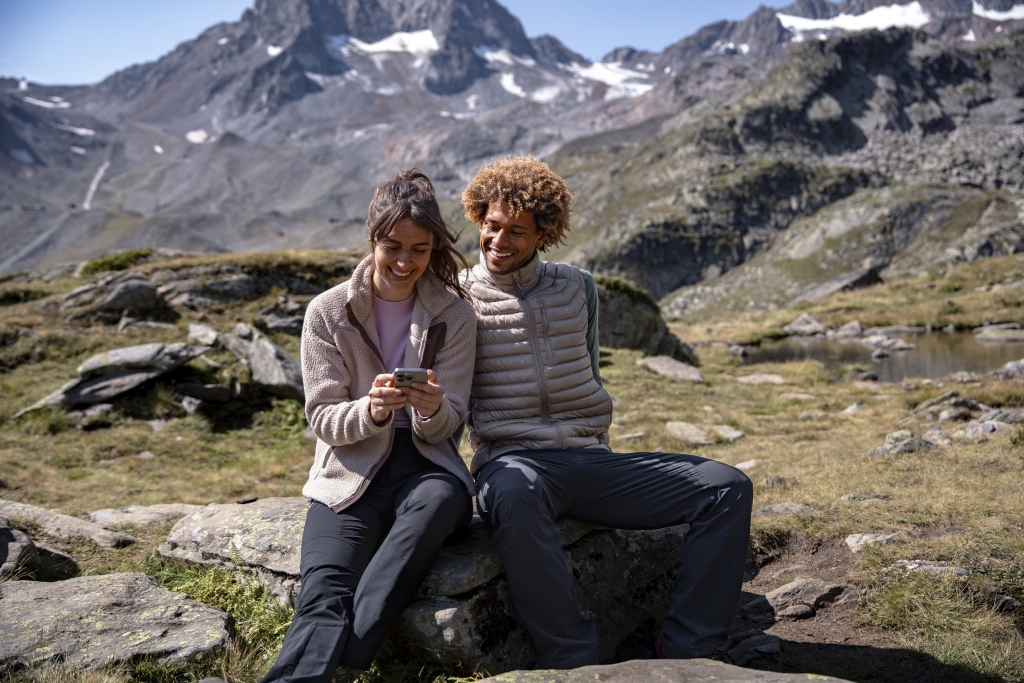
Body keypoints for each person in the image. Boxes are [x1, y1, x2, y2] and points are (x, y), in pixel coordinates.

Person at [459, 156, 754, 669]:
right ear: (479, 218)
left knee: (727, 487)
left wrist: (591, 441)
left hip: (589, 460)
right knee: (514, 492)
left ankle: (690, 651)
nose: (500, 241)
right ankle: (574, 661)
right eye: (492, 225)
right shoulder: (457, 296)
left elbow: (591, 370)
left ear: (545, 234)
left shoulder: (578, 287)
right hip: (511, 465)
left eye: (517, 231)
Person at [260, 169, 478, 683]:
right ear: (372, 238)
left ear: (434, 249)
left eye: (420, 250)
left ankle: (342, 668)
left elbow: (453, 421)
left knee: (443, 500)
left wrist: (428, 407)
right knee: (326, 588)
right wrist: (373, 410)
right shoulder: (328, 313)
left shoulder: (456, 314)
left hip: (427, 466)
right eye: (393, 246)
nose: (405, 262)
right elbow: (322, 418)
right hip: (349, 469)